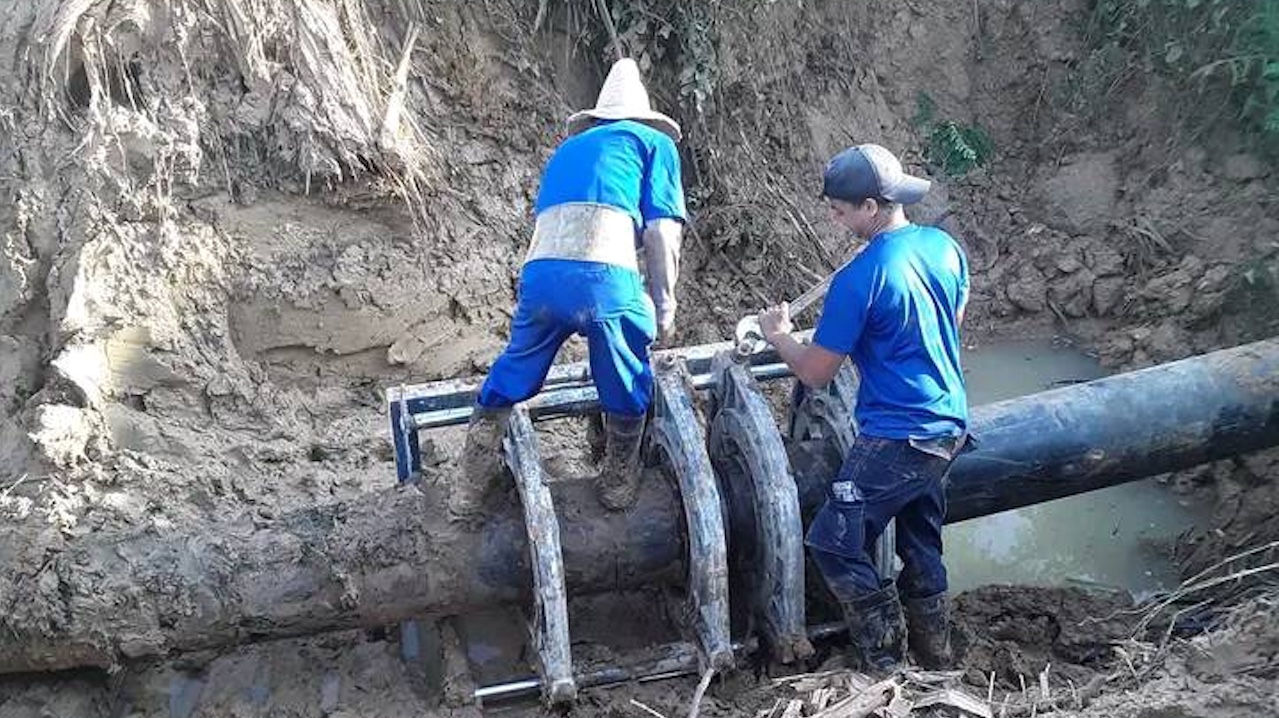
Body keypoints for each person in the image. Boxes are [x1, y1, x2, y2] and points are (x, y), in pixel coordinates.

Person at [758, 144, 969, 671]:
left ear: (871, 207)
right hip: (950, 425)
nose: (834, 218)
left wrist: (779, 335)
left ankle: (887, 660)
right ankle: (938, 655)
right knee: (920, 542)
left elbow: (814, 373)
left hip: (898, 434)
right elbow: (951, 324)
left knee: (832, 542)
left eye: (839, 209)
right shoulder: (945, 247)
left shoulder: (859, 280)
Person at [451, 58, 685, 517]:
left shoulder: (567, 150)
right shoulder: (655, 143)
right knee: (624, 371)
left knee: (516, 367)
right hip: (605, 279)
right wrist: (665, 307)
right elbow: (661, 233)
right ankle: (618, 479)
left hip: (540, 276)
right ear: (643, 118)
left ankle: (469, 486)